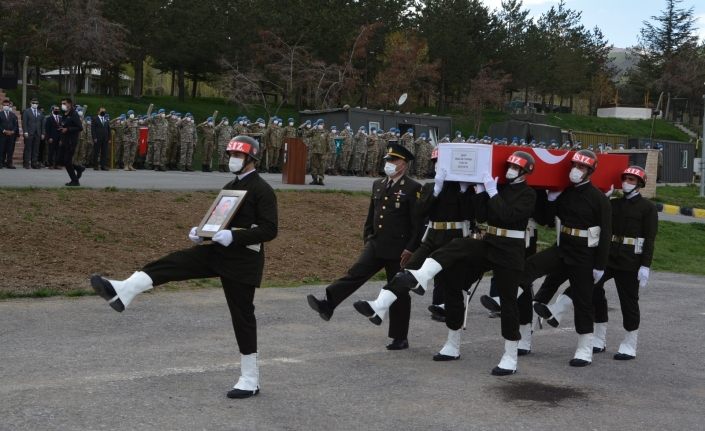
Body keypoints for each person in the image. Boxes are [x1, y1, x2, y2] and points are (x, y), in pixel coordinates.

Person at [91, 135, 277, 399]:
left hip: (243, 261)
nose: (233, 160)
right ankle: (125, 290)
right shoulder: (230, 186)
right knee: (174, 262)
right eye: (231, 155)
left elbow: (270, 229)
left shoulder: (262, 189)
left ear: (251, 159)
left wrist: (235, 236)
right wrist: (202, 233)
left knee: (242, 317)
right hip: (218, 251)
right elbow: (218, 219)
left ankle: (250, 379)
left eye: (238, 156)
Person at [355, 151, 536, 375]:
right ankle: (450, 339)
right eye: (510, 167)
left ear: (525, 172)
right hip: (489, 241)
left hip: (510, 249)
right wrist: (480, 193)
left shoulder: (528, 194)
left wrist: (489, 191)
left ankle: (510, 355)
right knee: (455, 266)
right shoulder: (499, 188)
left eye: (517, 169)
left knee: (508, 301)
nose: (511, 171)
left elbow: (507, 215)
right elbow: (483, 216)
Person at [307, 143, 422, 350]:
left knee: (398, 292)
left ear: (403, 164)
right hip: (377, 243)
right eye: (387, 160)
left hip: (400, 249)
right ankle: (328, 304)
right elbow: (372, 214)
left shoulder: (413, 188)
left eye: (393, 160)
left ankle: (399, 337)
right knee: (355, 272)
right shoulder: (378, 184)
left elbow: (417, 223)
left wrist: (411, 248)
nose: (389, 164)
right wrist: (368, 236)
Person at [354, 146, 475, 327]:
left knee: (452, 284)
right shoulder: (430, 187)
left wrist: (468, 191)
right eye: (435, 164)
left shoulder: (463, 188)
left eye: (441, 164)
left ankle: (452, 338)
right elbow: (420, 212)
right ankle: (379, 306)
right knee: (405, 273)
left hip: (456, 237)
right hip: (433, 236)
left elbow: (472, 214)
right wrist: (435, 191)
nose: (437, 167)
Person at [519, 149, 611, 367]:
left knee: (583, 300)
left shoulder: (599, 199)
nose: (576, 171)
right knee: (527, 268)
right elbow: (547, 219)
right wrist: (550, 198)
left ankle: (584, 348)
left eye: (581, 167)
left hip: (584, 254)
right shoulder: (567, 193)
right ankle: (513, 313)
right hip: (563, 247)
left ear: (590, 171)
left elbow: (606, 234)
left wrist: (600, 265)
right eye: (575, 166)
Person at [58, 98, 84, 186]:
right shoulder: (64, 114)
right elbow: (64, 125)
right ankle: (79, 168)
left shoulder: (74, 114)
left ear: (70, 104)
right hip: (64, 140)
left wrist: (68, 129)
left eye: (64, 103)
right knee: (61, 160)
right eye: (62, 103)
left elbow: (80, 127)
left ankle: (75, 180)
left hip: (71, 141)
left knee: (67, 161)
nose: (63, 105)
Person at [22, 97, 45, 169]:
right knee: (28, 148)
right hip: (29, 132)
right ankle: (26, 163)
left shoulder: (40, 112)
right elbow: (24, 123)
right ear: (30, 103)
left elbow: (42, 124)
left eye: (36, 103)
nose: (35, 104)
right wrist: (25, 131)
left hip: (38, 133)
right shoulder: (26, 111)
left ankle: (34, 163)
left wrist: (43, 133)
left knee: (36, 149)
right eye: (33, 103)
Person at [0, 99, 20, 168]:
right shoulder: (0, 114)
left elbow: (16, 125)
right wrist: (4, 131)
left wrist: (13, 131)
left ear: (9, 106)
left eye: (7, 105)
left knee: (10, 149)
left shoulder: (13, 115)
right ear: (2, 106)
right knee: (2, 149)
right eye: (4, 105)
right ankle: (1, 163)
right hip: (2, 135)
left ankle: (9, 163)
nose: (6, 106)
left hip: (11, 135)